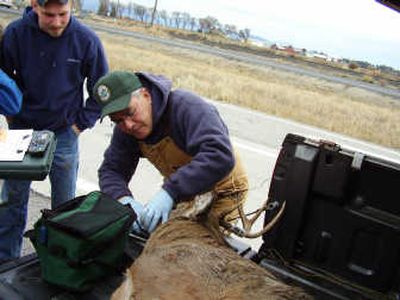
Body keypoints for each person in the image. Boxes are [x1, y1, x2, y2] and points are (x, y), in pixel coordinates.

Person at [0, 0, 108, 262]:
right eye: (49, 15)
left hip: (64, 135)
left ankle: (59, 263)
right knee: (12, 201)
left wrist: (79, 125)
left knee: (64, 206)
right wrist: (11, 116)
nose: (57, 22)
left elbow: (102, 90)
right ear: (34, 5)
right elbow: (2, 79)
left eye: (63, 14)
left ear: (72, 6)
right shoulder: (16, 34)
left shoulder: (86, 40)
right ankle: (6, 261)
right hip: (21, 132)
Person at [94, 71, 248, 234]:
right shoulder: (126, 128)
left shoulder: (186, 107)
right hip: (184, 191)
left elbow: (219, 155)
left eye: (130, 112)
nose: (128, 125)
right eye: (117, 120)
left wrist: (170, 192)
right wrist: (124, 200)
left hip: (223, 189)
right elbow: (111, 170)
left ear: (146, 95)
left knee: (200, 249)